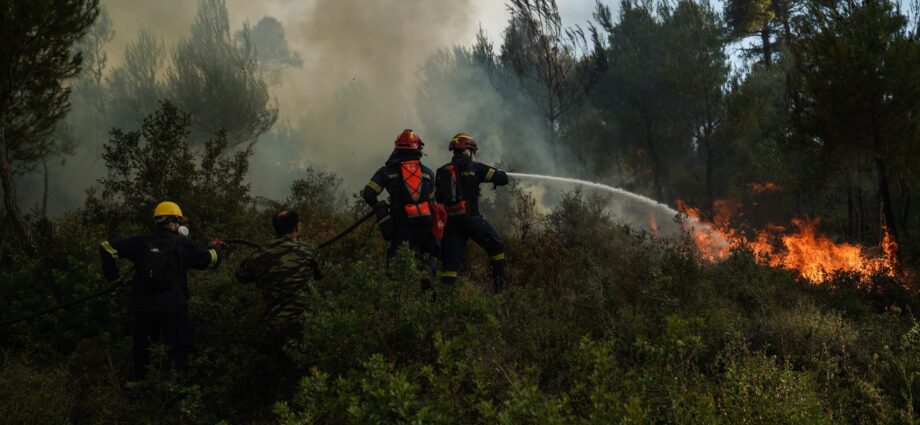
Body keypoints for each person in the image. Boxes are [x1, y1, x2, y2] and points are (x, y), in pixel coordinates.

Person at [99, 201, 222, 379]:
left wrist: (114, 279)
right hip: (173, 308)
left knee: (142, 356)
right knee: (179, 355)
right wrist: (215, 246)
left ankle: (140, 389)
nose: (179, 226)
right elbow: (211, 260)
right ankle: (176, 389)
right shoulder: (183, 244)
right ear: (172, 223)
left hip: (143, 308)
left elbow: (106, 247)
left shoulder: (141, 242)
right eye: (178, 222)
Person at [362, 129, 439, 287]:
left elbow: (368, 194)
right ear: (418, 150)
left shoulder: (387, 172)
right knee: (433, 252)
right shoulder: (429, 173)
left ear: (397, 149)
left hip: (402, 225)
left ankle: (397, 293)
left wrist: (379, 208)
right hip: (425, 223)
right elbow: (432, 201)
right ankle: (428, 272)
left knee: (395, 264)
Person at [435, 133, 509, 290]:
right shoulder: (476, 168)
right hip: (472, 220)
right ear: (468, 151)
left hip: (452, 222)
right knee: (496, 245)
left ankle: (443, 299)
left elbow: (438, 197)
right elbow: (503, 179)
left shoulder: (442, 171)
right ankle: (499, 290)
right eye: (473, 151)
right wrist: (496, 173)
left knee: (450, 264)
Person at [235, 208, 320, 339]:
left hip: (271, 328)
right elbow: (319, 275)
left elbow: (241, 276)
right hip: (305, 327)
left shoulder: (260, 253)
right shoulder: (309, 251)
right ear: (297, 227)